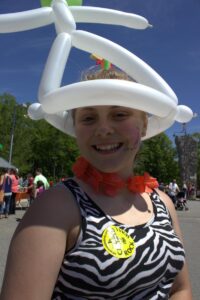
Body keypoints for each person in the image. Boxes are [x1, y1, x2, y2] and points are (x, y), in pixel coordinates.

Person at [0, 68, 192, 299]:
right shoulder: (56, 207)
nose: (103, 129)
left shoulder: (163, 202)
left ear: (143, 125)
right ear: (75, 130)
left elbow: (180, 289)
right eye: (89, 118)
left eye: (119, 114)